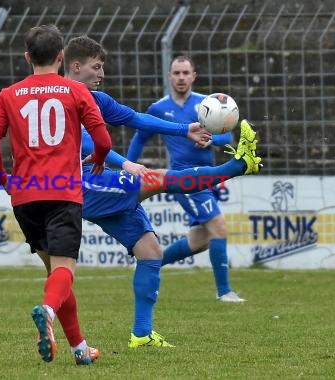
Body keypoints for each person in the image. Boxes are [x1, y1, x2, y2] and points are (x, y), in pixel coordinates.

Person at [62, 35, 253, 348]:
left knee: (151, 251)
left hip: (94, 177)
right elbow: (88, 143)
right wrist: (127, 164)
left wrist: (185, 129)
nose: (102, 73)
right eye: (97, 67)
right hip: (77, 182)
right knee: (159, 178)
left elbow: (134, 118)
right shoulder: (62, 97)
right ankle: (236, 167)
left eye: (103, 67)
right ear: (76, 65)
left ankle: (141, 335)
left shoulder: (94, 97)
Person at [0, 25, 112, 365]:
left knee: (55, 272)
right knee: (65, 269)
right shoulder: (75, 91)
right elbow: (104, 142)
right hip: (62, 192)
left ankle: (79, 348)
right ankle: (48, 312)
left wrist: (2, 179)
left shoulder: (7, 95)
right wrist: (98, 160)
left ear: (27, 57)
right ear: (61, 57)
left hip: (24, 195)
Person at [127, 56, 245, 303]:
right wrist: (128, 166)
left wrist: (214, 138)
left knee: (201, 239)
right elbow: (140, 137)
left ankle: (153, 263)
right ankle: (224, 292)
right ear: (169, 76)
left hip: (207, 179)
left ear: (194, 76)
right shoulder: (158, 108)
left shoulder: (208, 104)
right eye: (176, 73)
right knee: (218, 227)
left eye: (185, 73)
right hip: (184, 179)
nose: (181, 77)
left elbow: (227, 138)